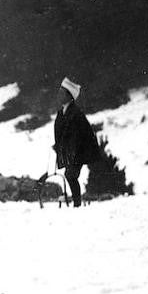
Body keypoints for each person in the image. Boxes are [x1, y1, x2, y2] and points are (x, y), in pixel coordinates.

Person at [53, 77, 100, 207]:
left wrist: (70, 149)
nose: (59, 95)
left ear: (69, 96)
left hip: (79, 152)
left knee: (70, 175)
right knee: (70, 175)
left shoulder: (76, 113)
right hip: (72, 152)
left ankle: (77, 204)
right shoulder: (63, 112)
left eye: (62, 93)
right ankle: (76, 202)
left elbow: (79, 136)